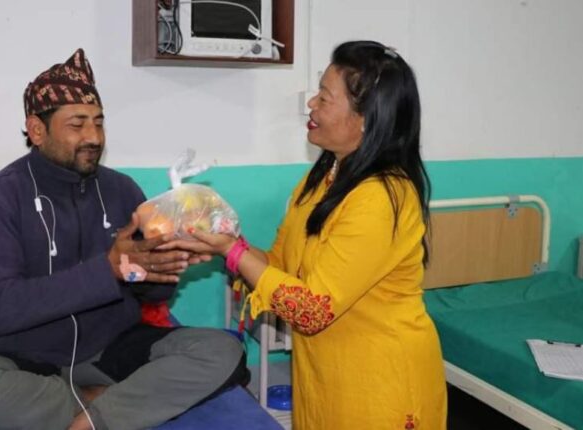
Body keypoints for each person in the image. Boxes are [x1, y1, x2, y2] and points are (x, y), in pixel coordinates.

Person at [0, 48, 247, 430]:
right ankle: (100, 401)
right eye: (77, 125)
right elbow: (1, 308)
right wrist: (107, 269)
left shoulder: (122, 190)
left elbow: (153, 296)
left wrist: (160, 263)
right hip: (29, 360)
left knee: (223, 351)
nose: (93, 137)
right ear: (37, 130)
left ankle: (94, 418)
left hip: (113, 348)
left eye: (98, 123)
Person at [171, 41, 447, 429]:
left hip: (380, 386)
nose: (311, 104)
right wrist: (225, 241)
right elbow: (282, 265)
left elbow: (313, 309)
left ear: (365, 118)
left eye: (325, 97)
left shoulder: (382, 198)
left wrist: (234, 252)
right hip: (325, 378)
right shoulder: (322, 180)